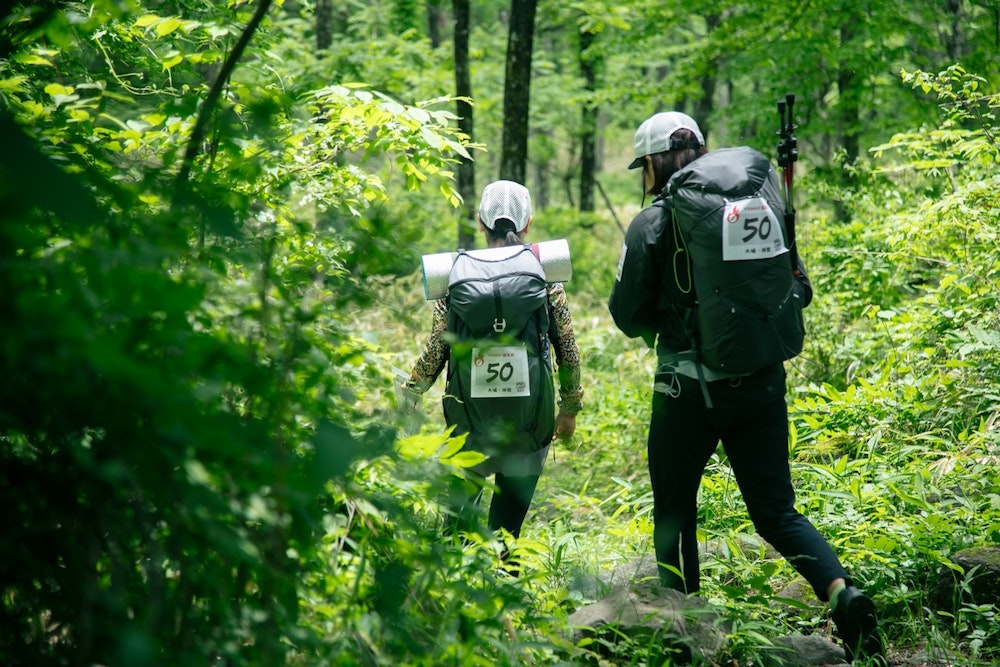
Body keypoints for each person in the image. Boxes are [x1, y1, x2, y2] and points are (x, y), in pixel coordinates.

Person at [608, 112, 885, 663]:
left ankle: (683, 635)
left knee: (675, 510)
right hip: (761, 384)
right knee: (778, 512)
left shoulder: (652, 223)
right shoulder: (760, 204)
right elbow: (795, 289)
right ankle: (842, 594)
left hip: (686, 392)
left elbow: (625, 311)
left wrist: (668, 327)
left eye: (644, 165)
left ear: (655, 162)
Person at [405, 180, 583, 548]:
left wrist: (411, 392)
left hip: (467, 421)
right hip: (530, 422)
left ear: (480, 223)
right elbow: (567, 347)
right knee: (507, 535)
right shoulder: (545, 273)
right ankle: (506, 590)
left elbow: (437, 346)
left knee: (457, 530)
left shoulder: (456, 272)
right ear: (527, 224)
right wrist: (569, 409)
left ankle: (452, 595)